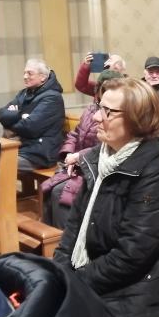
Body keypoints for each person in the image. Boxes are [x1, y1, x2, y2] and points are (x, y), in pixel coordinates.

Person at [54, 78, 159, 317]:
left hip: (146, 291)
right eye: (99, 107)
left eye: (107, 111)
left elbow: (130, 257)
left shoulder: (155, 174)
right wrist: (60, 273)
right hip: (103, 280)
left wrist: (74, 283)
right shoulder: (99, 159)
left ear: (137, 120)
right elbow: (73, 229)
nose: (96, 116)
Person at [41, 70, 122, 229]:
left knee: (61, 193)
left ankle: (64, 238)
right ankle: (49, 239)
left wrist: (79, 156)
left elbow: (107, 147)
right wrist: (69, 153)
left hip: (94, 167)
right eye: (101, 88)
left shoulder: (114, 116)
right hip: (78, 163)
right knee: (48, 188)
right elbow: (76, 132)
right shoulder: (91, 109)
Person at [0, 58, 66, 172]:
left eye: (30, 73)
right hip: (23, 147)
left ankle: (4, 190)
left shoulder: (52, 98)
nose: (25, 76)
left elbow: (30, 127)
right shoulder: (24, 93)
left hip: (40, 153)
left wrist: (11, 122)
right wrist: (21, 115)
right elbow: (2, 114)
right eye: (24, 73)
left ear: (43, 77)